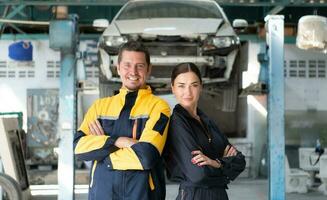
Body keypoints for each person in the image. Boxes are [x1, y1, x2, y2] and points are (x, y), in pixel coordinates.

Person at [74, 41, 170, 200]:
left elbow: (146, 156)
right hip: (102, 193)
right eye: (127, 65)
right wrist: (118, 141)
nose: (133, 71)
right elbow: (78, 148)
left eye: (140, 66)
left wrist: (101, 151)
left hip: (142, 194)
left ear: (148, 69)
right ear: (118, 68)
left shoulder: (159, 107)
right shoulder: (100, 107)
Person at [164, 62, 246, 200]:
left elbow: (240, 161)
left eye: (194, 85)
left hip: (219, 195)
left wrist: (215, 163)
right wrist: (224, 166)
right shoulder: (177, 123)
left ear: (201, 87)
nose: (188, 92)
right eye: (181, 86)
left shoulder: (207, 122)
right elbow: (197, 175)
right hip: (194, 195)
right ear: (173, 88)